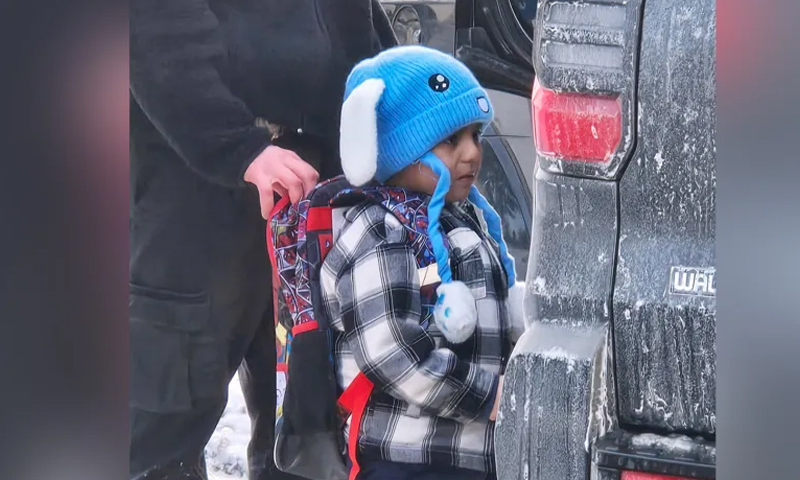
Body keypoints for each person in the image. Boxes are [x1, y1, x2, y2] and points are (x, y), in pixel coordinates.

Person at [128, 0, 397, 478]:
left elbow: (365, 38)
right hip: (198, 192)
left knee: (305, 425)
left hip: (316, 190)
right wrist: (240, 148)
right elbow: (155, 37)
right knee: (165, 423)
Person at [321, 46, 526, 480]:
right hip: (405, 458)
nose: (472, 153)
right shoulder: (380, 229)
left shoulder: (465, 217)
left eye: (476, 135)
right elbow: (391, 352)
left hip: (466, 455)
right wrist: (489, 397)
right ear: (403, 149)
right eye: (451, 139)